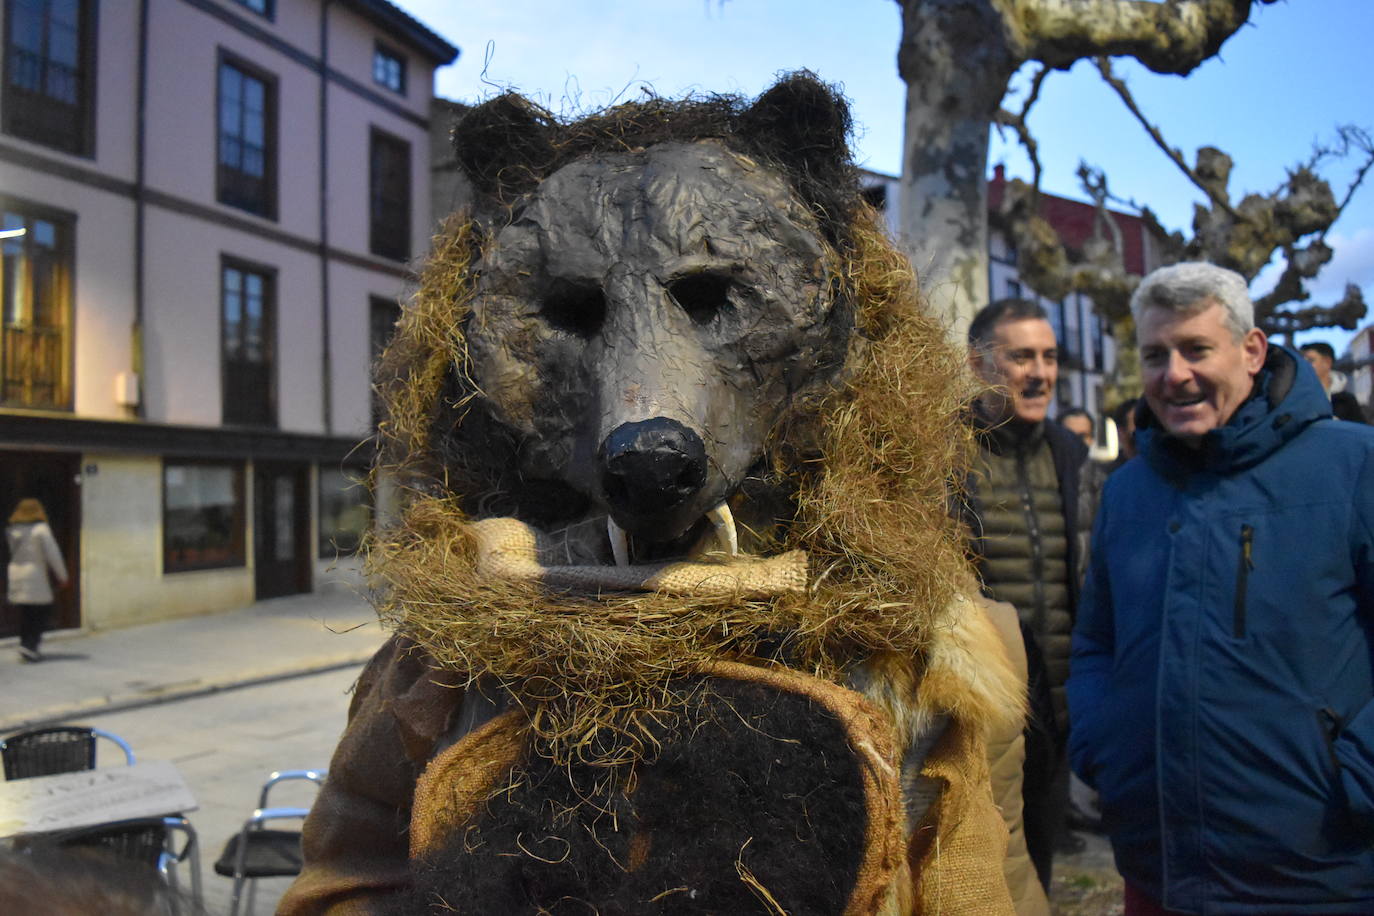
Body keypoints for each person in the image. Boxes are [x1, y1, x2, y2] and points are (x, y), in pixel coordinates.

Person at [1068, 262, 1374, 914]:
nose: (1174, 373)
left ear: (1252, 350)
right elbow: (1097, 640)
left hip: (1319, 877)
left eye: (1196, 349)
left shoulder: (1354, 466)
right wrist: (1102, 745)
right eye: (1155, 355)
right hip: (1159, 868)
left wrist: (1359, 779)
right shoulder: (1128, 492)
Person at [962, 298, 1091, 891]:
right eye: (1021, 357)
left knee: (1039, 857)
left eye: (1049, 356)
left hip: (1059, 706)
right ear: (978, 364)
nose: (1039, 372)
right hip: (983, 705)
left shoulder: (1071, 454)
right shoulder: (945, 453)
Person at [6, 498, 68, 662]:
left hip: (16, 573)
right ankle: (31, 646)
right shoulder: (41, 530)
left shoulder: (12, 529)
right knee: (41, 612)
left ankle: (25, 644)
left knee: (26, 612)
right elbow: (53, 554)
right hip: (35, 575)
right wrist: (62, 576)